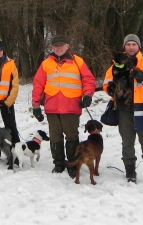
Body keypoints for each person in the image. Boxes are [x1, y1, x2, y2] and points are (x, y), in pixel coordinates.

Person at [103, 34, 143, 194]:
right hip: (125, 110)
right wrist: (111, 89)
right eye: (128, 44)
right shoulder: (116, 63)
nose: (131, 47)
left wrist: (141, 75)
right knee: (127, 143)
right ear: (124, 46)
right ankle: (130, 173)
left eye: (134, 44)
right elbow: (106, 83)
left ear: (139, 46)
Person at [32, 36, 96, 178]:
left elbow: (89, 80)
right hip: (52, 107)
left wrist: (88, 95)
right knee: (55, 137)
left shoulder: (78, 61)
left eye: (61, 45)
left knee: (72, 136)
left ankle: (72, 164)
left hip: (71, 105)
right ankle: (59, 163)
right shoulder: (46, 64)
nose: (58, 48)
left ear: (67, 46)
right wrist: (36, 105)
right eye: (55, 46)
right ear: (52, 47)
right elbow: (38, 85)